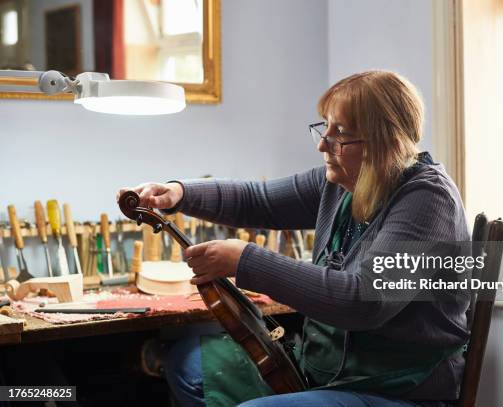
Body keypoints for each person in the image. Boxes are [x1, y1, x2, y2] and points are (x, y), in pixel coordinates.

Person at [118, 71, 471, 407]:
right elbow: (259, 200)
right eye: (324, 127)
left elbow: (365, 301)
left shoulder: (427, 199)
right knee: (187, 363)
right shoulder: (342, 182)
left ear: (388, 143)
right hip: (324, 371)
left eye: (340, 133)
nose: (322, 144)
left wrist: (246, 260)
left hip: (398, 390)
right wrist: (179, 194)